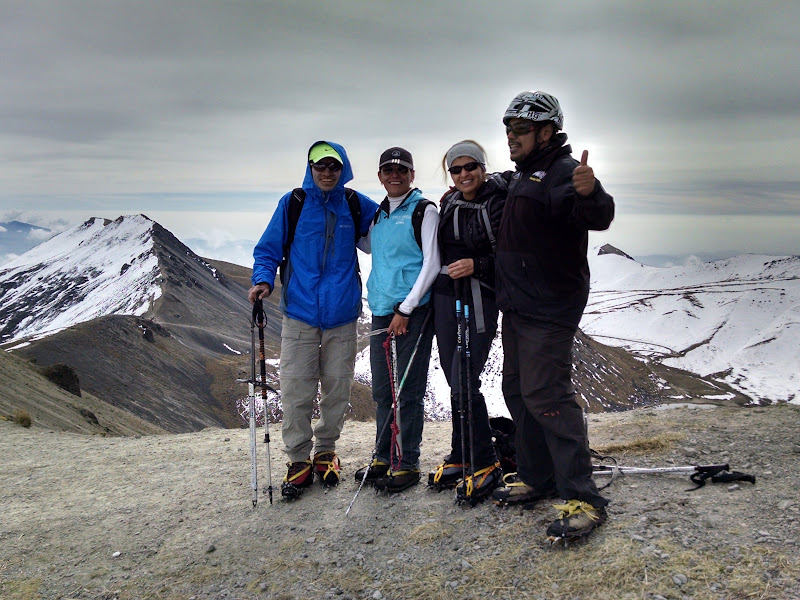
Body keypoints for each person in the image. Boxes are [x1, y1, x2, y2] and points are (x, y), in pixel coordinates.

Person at [492, 91, 615, 541]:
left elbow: (596, 215)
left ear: (547, 131)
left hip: (548, 307)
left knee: (547, 394)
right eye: (508, 128)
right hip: (521, 306)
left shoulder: (563, 172)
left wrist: (593, 192)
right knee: (518, 390)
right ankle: (537, 476)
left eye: (521, 129)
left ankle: (583, 495)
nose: (512, 136)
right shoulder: (526, 174)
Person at [248, 140, 378, 500]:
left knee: (337, 387)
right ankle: (297, 458)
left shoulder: (354, 204)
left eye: (333, 166)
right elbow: (268, 248)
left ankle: (325, 451)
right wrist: (262, 279)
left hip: (342, 314)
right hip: (300, 313)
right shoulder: (293, 204)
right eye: (319, 166)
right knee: (295, 388)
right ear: (310, 168)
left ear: (343, 169)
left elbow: (390, 226)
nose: (326, 172)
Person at [354, 147, 440, 493]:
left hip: (412, 312)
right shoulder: (380, 216)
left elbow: (432, 264)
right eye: (388, 170)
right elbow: (371, 248)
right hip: (380, 310)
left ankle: (408, 463)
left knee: (407, 390)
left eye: (402, 170)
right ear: (379, 176)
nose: (395, 175)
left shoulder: (424, 211)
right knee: (382, 391)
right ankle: (383, 456)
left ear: (412, 175)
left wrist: (407, 309)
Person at [427, 140, 507, 504]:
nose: (463, 174)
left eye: (469, 167)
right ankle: (462, 454)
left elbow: (513, 253)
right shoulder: (449, 201)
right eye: (455, 170)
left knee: (465, 376)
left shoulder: (500, 202)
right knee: (452, 374)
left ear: (482, 167)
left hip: (479, 296)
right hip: (447, 296)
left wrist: (478, 266)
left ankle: (486, 461)